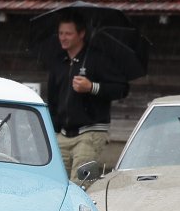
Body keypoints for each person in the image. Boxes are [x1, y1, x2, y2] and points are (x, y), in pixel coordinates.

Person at [48, 17, 130, 178]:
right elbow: (52, 99)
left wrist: (91, 87)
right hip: (62, 135)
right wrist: (53, 130)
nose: (63, 37)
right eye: (60, 33)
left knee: (80, 184)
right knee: (57, 183)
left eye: (68, 34)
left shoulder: (98, 59)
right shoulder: (59, 62)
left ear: (81, 34)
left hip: (90, 133)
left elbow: (121, 89)